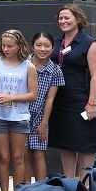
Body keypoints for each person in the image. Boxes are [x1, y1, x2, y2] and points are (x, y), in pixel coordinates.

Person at [50, 5, 96, 180]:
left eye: (67, 18)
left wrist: (92, 102)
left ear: (78, 20)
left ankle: (85, 187)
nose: (63, 21)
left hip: (83, 100)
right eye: (60, 18)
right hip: (61, 102)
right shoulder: (56, 42)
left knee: (85, 144)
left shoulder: (89, 43)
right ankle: (69, 184)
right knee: (66, 144)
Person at [0, 29, 37, 191]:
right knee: (3, 157)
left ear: (19, 46)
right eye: (4, 46)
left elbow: (33, 94)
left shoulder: (28, 66)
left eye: (10, 46)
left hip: (19, 116)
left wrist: (12, 97)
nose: (6, 49)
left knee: (18, 157)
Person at [28, 32, 65, 182]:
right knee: (22, 155)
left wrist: (44, 123)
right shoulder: (23, 64)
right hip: (20, 115)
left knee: (38, 153)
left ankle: (40, 190)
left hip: (39, 118)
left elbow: (50, 99)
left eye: (47, 46)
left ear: (53, 48)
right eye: (38, 45)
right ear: (32, 46)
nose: (42, 49)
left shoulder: (55, 70)